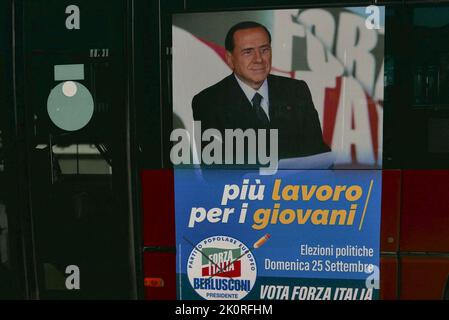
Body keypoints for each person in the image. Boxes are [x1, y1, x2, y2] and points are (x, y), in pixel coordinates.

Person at [192, 21, 330, 160]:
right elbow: (214, 172)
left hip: (298, 182)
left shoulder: (296, 90)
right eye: (248, 52)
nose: (259, 59)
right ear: (230, 58)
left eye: (264, 50)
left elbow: (319, 152)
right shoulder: (208, 102)